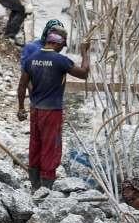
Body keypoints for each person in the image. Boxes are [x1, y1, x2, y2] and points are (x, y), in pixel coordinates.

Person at [17, 31, 90, 190]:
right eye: (62, 46)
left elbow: (22, 85)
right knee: (51, 147)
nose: (61, 50)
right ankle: (46, 189)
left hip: (35, 110)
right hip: (52, 112)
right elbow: (84, 74)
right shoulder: (60, 61)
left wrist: (21, 107)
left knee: (35, 144)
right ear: (56, 43)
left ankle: (35, 186)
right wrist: (85, 52)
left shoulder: (31, 59)